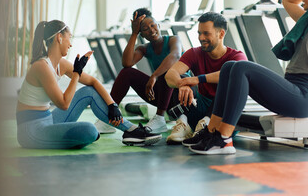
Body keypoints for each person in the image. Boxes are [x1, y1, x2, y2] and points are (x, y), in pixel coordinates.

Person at [188, 0, 308, 155]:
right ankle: (212, 131)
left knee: (241, 68)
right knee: (230, 66)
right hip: (293, 91)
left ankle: (224, 139)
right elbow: (289, 0)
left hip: (303, 97)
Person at [16, 20, 161, 149]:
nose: (71, 43)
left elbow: (93, 81)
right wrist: (76, 74)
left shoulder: (60, 64)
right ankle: (80, 135)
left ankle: (132, 131)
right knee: (90, 130)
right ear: (59, 38)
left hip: (49, 119)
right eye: (69, 38)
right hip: (31, 131)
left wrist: (112, 105)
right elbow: (64, 104)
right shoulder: (41, 66)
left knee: (88, 92)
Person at [95, 8, 184, 134]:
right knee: (127, 72)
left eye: (153, 25)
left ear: (158, 25)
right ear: (142, 34)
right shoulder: (144, 48)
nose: (152, 30)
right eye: (146, 29)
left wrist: (154, 76)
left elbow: (175, 56)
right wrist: (133, 34)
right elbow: (127, 63)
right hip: (163, 96)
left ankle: (160, 118)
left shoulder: (174, 39)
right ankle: (109, 118)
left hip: (182, 94)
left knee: (167, 71)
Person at [165, 12, 247, 144]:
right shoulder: (194, 53)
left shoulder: (237, 56)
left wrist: (198, 79)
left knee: (230, 80)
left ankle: (208, 127)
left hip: (224, 114)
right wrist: (182, 84)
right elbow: (170, 74)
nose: (201, 37)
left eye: (206, 33)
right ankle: (184, 124)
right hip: (201, 109)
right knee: (180, 78)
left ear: (221, 34)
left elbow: (230, 74)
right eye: (199, 33)